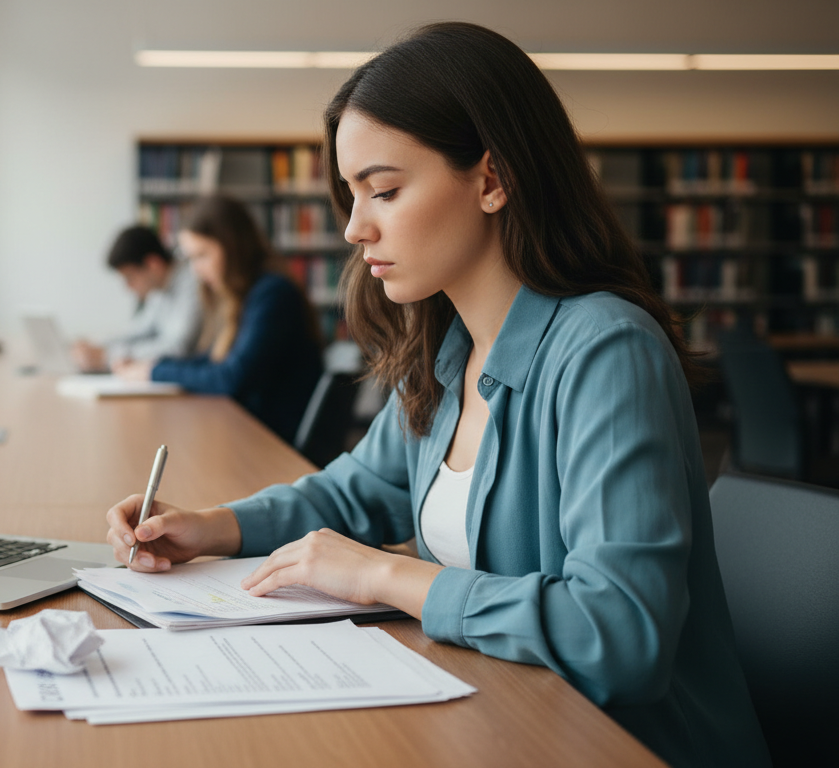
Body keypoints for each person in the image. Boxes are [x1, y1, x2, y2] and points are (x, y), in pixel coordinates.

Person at [104, 22, 769, 768]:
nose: (355, 228)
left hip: (625, 746)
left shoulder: (605, 351)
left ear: (491, 179)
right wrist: (210, 526)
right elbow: (356, 493)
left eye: (383, 189)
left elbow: (618, 635)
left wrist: (383, 573)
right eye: (352, 195)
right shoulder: (448, 349)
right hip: (504, 720)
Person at [113, 196, 323, 445]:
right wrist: (153, 365)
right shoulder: (243, 295)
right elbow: (212, 359)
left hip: (271, 440)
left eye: (202, 255)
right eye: (191, 258)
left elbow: (232, 378)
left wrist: (155, 371)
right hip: (249, 429)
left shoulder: (273, 293)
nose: (196, 270)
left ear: (233, 247)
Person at [71, 225, 202, 372]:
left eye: (130, 277)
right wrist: (96, 344)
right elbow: (139, 330)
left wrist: (107, 356)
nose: (128, 287)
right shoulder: (159, 291)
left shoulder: (193, 280)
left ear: (153, 264)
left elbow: (178, 348)